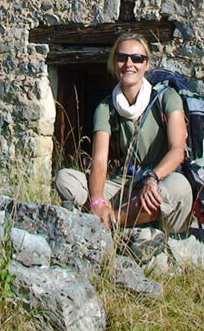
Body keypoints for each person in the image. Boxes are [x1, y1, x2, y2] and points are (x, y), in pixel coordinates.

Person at [55, 33, 193, 233]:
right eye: (122, 58)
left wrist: (153, 179)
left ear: (146, 65)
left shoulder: (167, 99)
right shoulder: (106, 107)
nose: (129, 64)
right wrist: (97, 200)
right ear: (114, 63)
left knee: (179, 187)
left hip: (161, 182)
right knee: (65, 178)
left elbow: (177, 150)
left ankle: (114, 221)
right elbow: (100, 160)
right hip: (126, 186)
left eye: (137, 59)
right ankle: (122, 217)